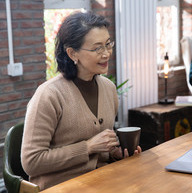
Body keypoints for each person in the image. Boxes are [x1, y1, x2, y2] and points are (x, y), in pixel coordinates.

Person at [21, 11, 142, 190]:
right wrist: (87, 147)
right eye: (97, 48)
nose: (106, 53)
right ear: (72, 53)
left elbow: (102, 150)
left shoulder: (108, 89)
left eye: (108, 44)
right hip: (60, 187)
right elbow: (31, 162)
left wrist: (117, 154)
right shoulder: (48, 95)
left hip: (102, 181)